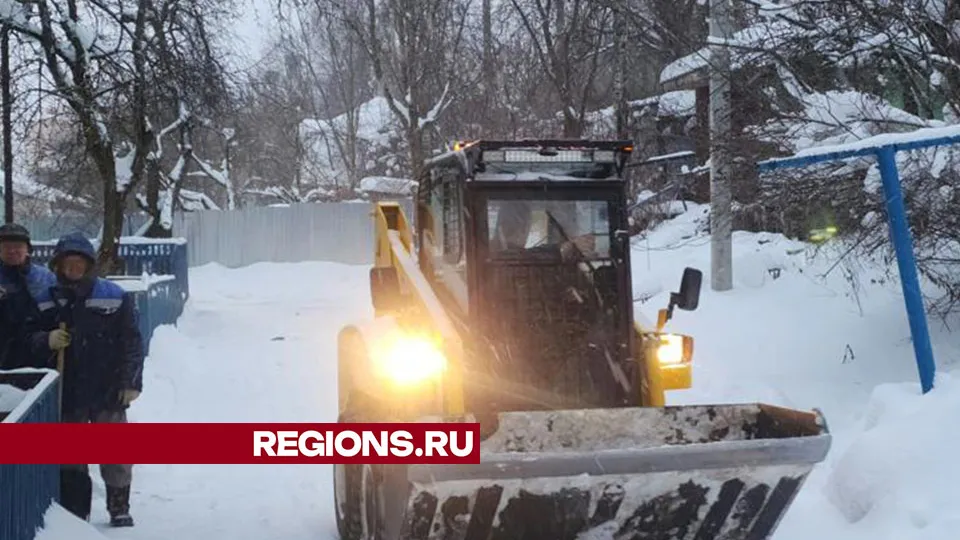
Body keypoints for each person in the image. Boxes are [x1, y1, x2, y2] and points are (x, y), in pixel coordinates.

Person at [29, 232, 144, 527]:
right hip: (68, 390)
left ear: (89, 264)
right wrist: (46, 340)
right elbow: (29, 340)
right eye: (68, 263)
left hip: (107, 387)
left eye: (79, 262)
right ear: (58, 266)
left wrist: (131, 381)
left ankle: (119, 506)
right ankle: (75, 513)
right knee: (71, 455)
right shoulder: (46, 299)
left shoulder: (114, 296)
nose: (74, 268)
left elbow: (131, 340)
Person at [0, 223, 56, 370]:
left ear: (27, 249)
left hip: (40, 359)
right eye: (6, 246)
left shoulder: (46, 279)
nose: (12, 251)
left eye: (18, 246)